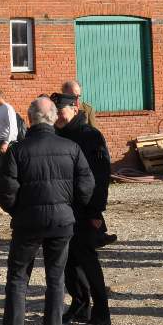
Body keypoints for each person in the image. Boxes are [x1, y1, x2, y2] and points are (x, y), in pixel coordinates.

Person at [0, 96, 93, 325]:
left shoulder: (17, 150)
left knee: (17, 277)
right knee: (56, 278)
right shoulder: (71, 148)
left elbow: (5, 191)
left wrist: (19, 211)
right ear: (54, 117)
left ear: (29, 119)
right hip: (62, 221)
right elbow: (86, 186)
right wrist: (70, 208)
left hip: (28, 221)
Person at [54, 93, 112, 325]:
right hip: (63, 210)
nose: (58, 116)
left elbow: (101, 176)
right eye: (55, 112)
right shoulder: (58, 135)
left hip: (86, 210)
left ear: (75, 109)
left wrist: (96, 212)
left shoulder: (91, 136)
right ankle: (80, 303)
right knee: (69, 262)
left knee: (88, 262)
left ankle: (102, 314)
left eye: (62, 111)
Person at [60, 80, 111, 243]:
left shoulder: (87, 109)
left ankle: (98, 232)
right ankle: (97, 232)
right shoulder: (59, 106)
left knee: (91, 189)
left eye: (78, 95)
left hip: (87, 150)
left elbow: (93, 129)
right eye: (73, 95)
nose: (77, 98)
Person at [0, 88, 20, 160]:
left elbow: (12, 127)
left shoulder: (7, 108)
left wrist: (6, 143)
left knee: (5, 166)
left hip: (5, 142)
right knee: (0, 167)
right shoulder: (1, 108)